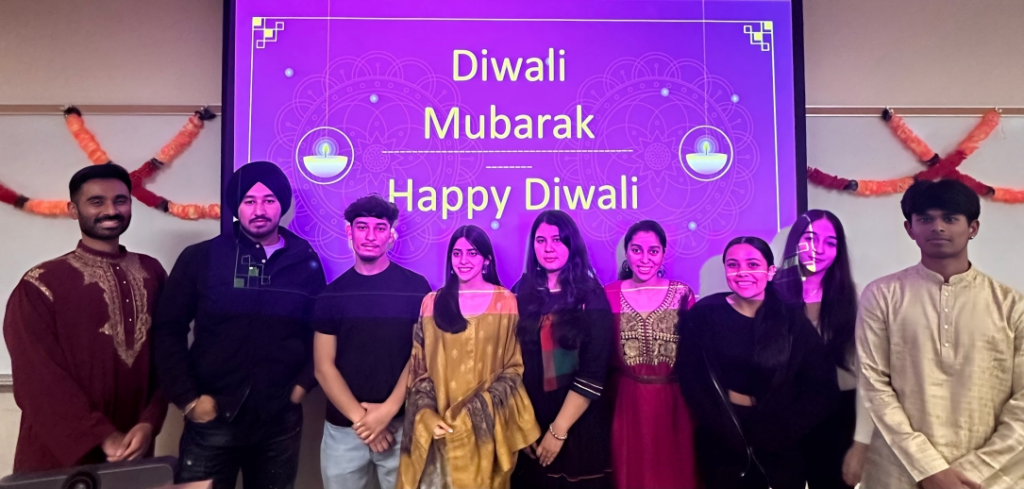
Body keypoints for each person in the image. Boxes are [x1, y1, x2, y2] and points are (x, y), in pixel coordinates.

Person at [152, 161, 326, 489]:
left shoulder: (305, 261)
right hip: (212, 417)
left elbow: (320, 332)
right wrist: (188, 400)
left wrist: (301, 387)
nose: (259, 210)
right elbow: (167, 328)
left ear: (282, 206)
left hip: (279, 421)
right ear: (237, 207)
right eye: (249, 201)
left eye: (269, 200)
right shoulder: (202, 258)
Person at [857, 179, 1024, 489]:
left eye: (950, 218)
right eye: (925, 219)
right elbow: (874, 386)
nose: (937, 227)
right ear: (910, 229)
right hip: (899, 472)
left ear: (973, 227)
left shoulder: (1011, 305)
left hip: (988, 478)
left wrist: (973, 470)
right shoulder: (882, 295)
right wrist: (929, 469)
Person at [3, 163, 168, 473]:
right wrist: (101, 436)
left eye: (121, 200)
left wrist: (150, 422)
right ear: (73, 209)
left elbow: (168, 354)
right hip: (61, 451)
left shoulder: (152, 272)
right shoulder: (40, 282)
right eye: (97, 201)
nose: (111, 209)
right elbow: (37, 377)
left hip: (135, 446)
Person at [676, 236, 838, 489]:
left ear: (771, 271)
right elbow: (692, 379)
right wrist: (720, 426)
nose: (742, 272)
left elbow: (822, 386)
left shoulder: (790, 319)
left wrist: (783, 430)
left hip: (780, 442)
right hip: (723, 439)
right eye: (733, 265)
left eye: (753, 264)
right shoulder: (705, 314)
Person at [398, 225, 540, 489]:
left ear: (486, 259)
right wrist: (427, 413)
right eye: (457, 253)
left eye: (472, 253)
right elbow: (420, 369)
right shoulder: (431, 303)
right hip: (439, 431)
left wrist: (475, 413)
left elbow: (513, 369)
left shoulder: (506, 302)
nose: (463, 261)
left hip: (489, 434)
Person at [312, 194, 431, 489]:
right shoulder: (332, 295)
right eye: (362, 227)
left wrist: (387, 412)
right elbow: (323, 368)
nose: (370, 236)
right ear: (349, 231)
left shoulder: (417, 289)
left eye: (379, 228)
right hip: (344, 431)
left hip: (402, 425)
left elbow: (422, 357)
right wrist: (365, 422)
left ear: (391, 235)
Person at [510, 210, 614, 489]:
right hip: (532, 422)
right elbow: (512, 366)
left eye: (557, 240)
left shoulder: (590, 294)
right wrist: (525, 426)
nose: (548, 248)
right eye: (541, 241)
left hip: (579, 425)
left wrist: (558, 432)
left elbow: (594, 371)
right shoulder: (520, 292)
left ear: (571, 244)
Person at [775, 210, 874, 488]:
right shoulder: (772, 294)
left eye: (830, 242)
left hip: (839, 414)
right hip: (787, 411)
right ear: (795, 243)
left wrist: (861, 441)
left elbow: (867, 367)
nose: (818, 249)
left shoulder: (856, 295)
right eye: (809, 239)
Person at [604, 220, 698, 489]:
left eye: (653, 251)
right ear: (626, 252)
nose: (645, 259)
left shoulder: (682, 294)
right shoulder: (608, 294)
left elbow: (696, 355)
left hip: (676, 404)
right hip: (626, 402)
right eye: (636, 250)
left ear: (663, 253)